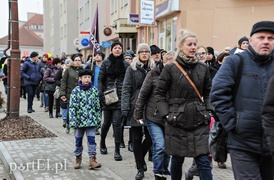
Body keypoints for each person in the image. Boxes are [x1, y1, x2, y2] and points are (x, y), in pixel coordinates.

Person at [210, 20, 274, 180]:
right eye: (261, 37)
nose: (266, 41)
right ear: (251, 41)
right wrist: (233, 123)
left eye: (271, 38)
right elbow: (218, 93)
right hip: (242, 142)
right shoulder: (235, 61)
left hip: (271, 142)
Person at [155, 29, 214, 180]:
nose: (193, 47)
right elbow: (159, 94)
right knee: (177, 159)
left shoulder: (203, 68)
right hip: (177, 119)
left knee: (203, 159)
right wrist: (167, 114)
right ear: (181, 46)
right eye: (189, 44)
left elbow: (208, 93)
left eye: (195, 44)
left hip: (199, 118)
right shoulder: (170, 69)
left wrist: (209, 111)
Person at [134, 50, 175, 180]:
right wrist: (138, 113)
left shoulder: (178, 76)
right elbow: (143, 94)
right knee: (160, 145)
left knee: (168, 148)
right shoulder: (153, 74)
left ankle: (164, 170)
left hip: (170, 117)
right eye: (169, 64)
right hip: (154, 116)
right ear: (163, 62)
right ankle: (158, 172)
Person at [121, 43, 155, 180]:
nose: (144, 54)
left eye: (147, 51)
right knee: (135, 138)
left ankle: (140, 158)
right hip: (135, 105)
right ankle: (139, 168)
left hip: (151, 107)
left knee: (151, 137)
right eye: (142, 51)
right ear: (138, 54)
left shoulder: (155, 67)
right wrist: (125, 107)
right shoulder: (132, 68)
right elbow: (126, 88)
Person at [98, 40, 129, 161]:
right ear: (111, 50)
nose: (117, 50)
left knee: (117, 123)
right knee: (106, 123)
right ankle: (102, 142)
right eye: (115, 48)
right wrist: (100, 93)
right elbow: (100, 79)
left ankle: (117, 150)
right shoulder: (106, 63)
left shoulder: (126, 64)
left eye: (119, 48)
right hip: (108, 96)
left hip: (120, 97)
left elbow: (128, 81)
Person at [69, 69, 102, 170]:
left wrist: (98, 120)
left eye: (89, 77)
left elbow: (97, 107)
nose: (87, 79)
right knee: (78, 140)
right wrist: (72, 121)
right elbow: (72, 107)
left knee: (91, 140)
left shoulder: (94, 90)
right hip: (78, 122)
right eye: (85, 77)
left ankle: (92, 159)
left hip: (91, 121)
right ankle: (78, 158)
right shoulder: (75, 91)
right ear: (80, 78)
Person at [60, 53, 84, 134]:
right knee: (70, 111)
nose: (77, 62)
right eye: (76, 60)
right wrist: (62, 93)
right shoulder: (68, 70)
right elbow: (63, 81)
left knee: (78, 111)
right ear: (73, 61)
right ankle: (68, 124)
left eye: (79, 60)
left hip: (81, 94)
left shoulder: (83, 70)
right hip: (69, 94)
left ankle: (76, 126)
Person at [55, 58, 72, 128]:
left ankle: (69, 121)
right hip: (62, 90)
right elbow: (56, 79)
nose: (68, 64)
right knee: (64, 106)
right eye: (67, 63)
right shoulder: (61, 70)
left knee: (69, 107)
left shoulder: (73, 71)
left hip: (70, 91)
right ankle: (65, 120)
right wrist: (62, 84)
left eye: (70, 63)